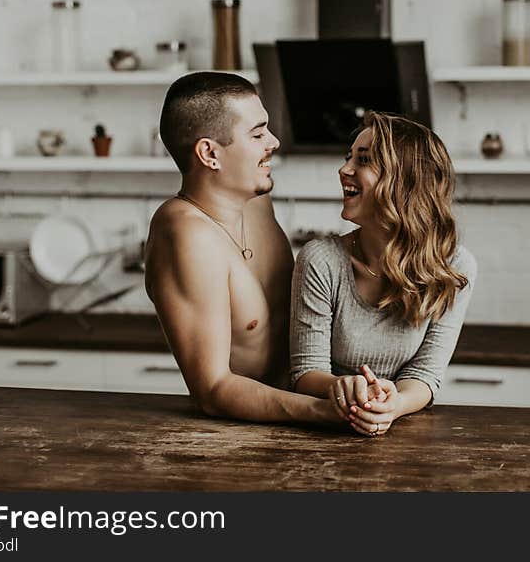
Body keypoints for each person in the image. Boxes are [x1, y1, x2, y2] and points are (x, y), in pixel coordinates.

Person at [144, 71, 338, 424]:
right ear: (210, 154)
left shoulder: (255, 201)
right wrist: (326, 411)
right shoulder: (186, 233)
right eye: (258, 133)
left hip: (305, 418)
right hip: (243, 438)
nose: (274, 142)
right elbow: (213, 389)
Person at [290, 111, 477, 437]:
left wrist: (393, 405)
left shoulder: (454, 268)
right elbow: (306, 371)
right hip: (320, 431)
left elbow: (426, 374)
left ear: (404, 181)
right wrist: (344, 387)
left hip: (401, 434)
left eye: (363, 160)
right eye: (348, 157)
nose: (344, 170)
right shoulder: (320, 260)